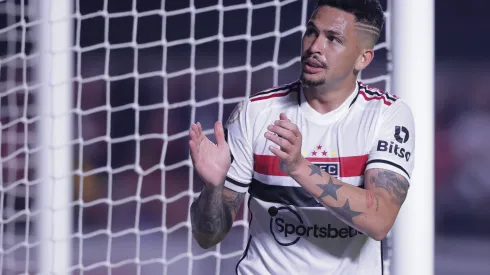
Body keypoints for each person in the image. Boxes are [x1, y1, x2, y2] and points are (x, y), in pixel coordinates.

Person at [189, 0, 415, 274]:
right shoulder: (257, 112)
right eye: (312, 32)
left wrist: (299, 167)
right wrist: (214, 188)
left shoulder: (386, 115)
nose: (314, 47)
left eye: (333, 39)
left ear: (362, 58)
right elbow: (207, 236)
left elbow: (380, 219)